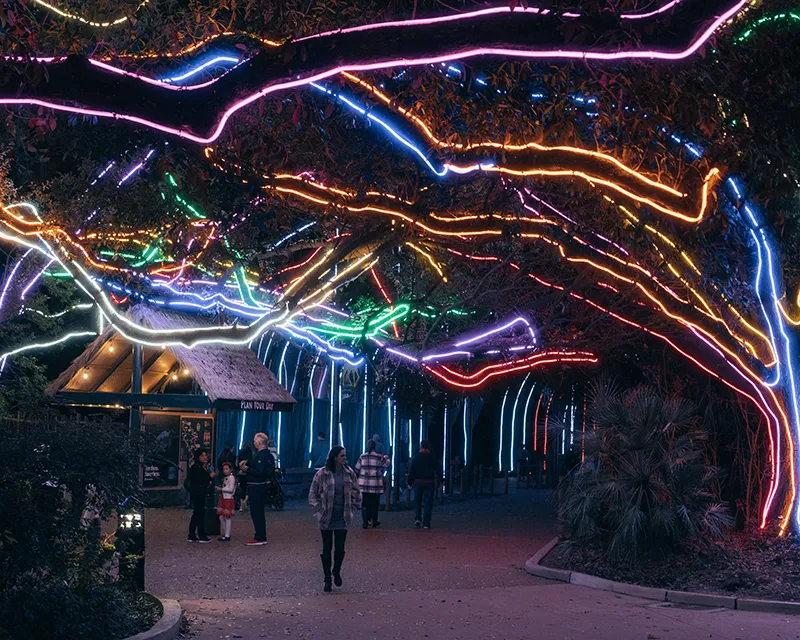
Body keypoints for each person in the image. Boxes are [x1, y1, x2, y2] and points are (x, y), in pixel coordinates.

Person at [308, 446, 362, 592]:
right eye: (342, 456)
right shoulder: (322, 473)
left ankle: (336, 570)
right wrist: (318, 510)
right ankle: (327, 578)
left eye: (345, 455)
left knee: (340, 548)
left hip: (342, 517)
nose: (344, 458)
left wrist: (353, 508)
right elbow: (313, 493)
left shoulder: (349, 473)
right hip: (326, 516)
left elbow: (357, 492)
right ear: (334, 457)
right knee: (327, 548)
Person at [239, 432, 274, 546]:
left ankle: (259, 537)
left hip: (257, 487)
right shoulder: (266, 454)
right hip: (260, 486)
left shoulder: (262, 455)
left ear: (259, 442)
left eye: (255, 441)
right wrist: (248, 462)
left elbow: (259, 471)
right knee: (258, 512)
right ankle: (260, 535)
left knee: (256, 512)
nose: (254, 443)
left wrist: (246, 469)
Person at [355, 439, 390, 529]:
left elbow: (357, 468)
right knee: (374, 503)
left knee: (364, 504)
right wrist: (386, 457)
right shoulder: (379, 457)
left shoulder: (362, 457)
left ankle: (365, 522)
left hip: (363, 484)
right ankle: (374, 521)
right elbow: (387, 464)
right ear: (375, 447)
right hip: (375, 485)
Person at [407, 440, 442, 530]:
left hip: (418, 481)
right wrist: (441, 480)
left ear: (421, 447)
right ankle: (426, 522)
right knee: (428, 502)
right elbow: (438, 470)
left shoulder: (416, 458)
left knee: (417, 500)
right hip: (429, 481)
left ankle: (417, 518)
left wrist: (409, 482)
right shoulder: (432, 457)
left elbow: (411, 471)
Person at [188, 448, 216, 543]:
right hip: (198, 493)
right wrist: (209, 477)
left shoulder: (202, 467)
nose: (205, 457)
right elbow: (199, 480)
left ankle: (192, 534)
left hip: (201, 492)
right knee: (199, 513)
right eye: (202, 456)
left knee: (197, 513)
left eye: (205, 455)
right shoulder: (196, 467)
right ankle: (201, 534)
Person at [215, 461, 236, 541]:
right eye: (224, 469)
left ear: (231, 469)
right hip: (224, 497)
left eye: (227, 469)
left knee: (227, 517)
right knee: (222, 517)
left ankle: (227, 535)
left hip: (228, 498)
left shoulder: (231, 478)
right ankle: (226, 533)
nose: (225, 471)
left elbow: (231, 489)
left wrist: (221, 489)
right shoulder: (226, 478)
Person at [238, 442, 253, 512]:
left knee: (242, 488)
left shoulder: (240, 453)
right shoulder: (251, 453)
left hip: (241, 473)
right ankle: (245, 501)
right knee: (249, 488)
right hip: (249, 473)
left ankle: (241, 505)